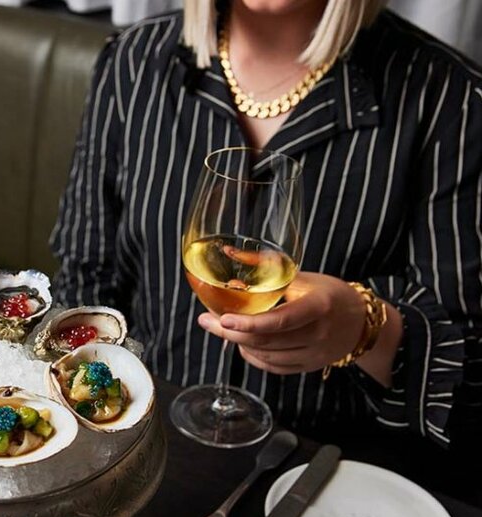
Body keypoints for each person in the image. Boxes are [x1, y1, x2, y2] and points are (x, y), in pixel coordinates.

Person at [50, 0, 482, 450]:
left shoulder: (453, 101)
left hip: (325, 472)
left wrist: (369, 328)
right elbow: (85, 278)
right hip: (145, 441)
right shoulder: (133, 60)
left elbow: (470, 388)